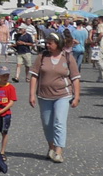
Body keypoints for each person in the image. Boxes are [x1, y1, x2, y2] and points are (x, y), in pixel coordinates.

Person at [30, 31, 81, 163]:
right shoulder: (42, 56)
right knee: (47, 124)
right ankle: (51, 147)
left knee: (59, 122)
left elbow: (75, 78)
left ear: (58, 44)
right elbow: (34, 75)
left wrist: (76, 96)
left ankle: (59, 151)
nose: (47, 45)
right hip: (44, 95)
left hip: (63, 95)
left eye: (50, 43)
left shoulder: (68, 57)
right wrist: (31, 94)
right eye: (46, 43)